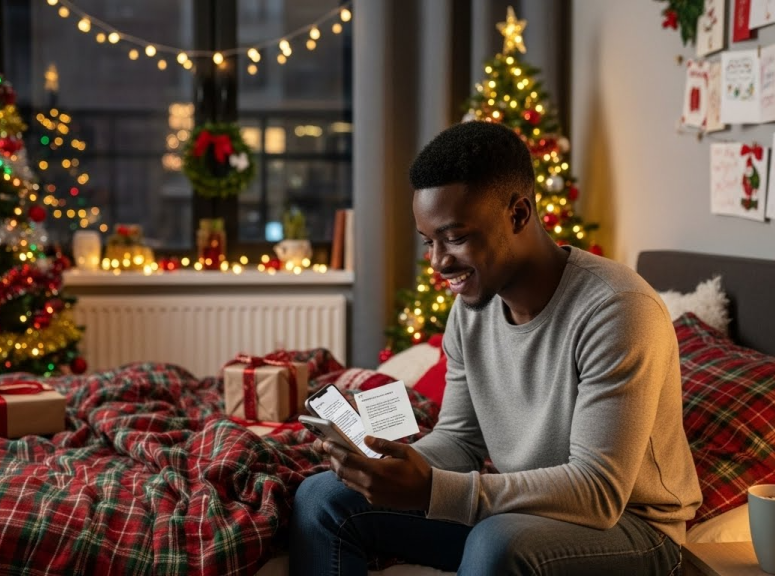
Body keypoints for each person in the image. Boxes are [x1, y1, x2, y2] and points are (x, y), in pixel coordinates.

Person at [289, 120, 701, 575]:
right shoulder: (471, 309)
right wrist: (389, 465)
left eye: (456, 238)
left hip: (633, 527)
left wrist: (433, 491)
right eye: (429, 242)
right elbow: (460, 440)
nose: (438, 262)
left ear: (519, 215)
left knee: (498, 542)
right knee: (322, 497)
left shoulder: (618, 309)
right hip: (525, 510)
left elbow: (598, 492)